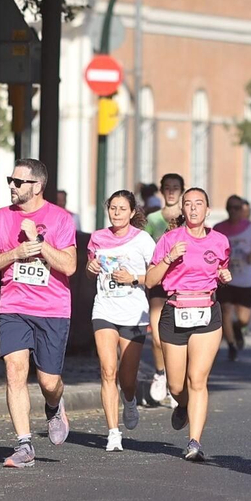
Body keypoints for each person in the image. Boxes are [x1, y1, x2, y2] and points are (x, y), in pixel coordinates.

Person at [0, 158, 78, 468]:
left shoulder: (60, 219)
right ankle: (24, 445)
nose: (11, 185)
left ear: (36, 186)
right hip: (13, 307)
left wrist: (37, 241)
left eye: (17, 181)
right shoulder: (1, 218)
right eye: (10, 179)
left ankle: (54, 405)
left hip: (52, 309)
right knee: (14, 370)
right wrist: (16, 253)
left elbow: (69, 266)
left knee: (49, 382)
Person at [145, 187, 231, 462]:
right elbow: (150, 280)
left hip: (206, 311)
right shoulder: (169, 239)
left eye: (199, 204)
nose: (193, 208)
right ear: (182, 210)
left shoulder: (219, 241)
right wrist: (169, 258)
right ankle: (182, 404)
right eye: (188, 204)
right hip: (175, 311)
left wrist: (223, 276)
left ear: (208, 209)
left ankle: (194, 442)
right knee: (176, 386)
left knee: (198, 379)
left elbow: (220, 271)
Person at [86, 190, 154, 451]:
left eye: (122, 209)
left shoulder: (144, 241)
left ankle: (129, 399)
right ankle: (113, 432)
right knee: (107, 371)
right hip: (104, 310)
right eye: (113, 208)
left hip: (134, 313)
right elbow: (91, 269)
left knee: (127, 377)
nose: (116, 213)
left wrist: (134, 278)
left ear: (132, 212)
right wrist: (90, 269)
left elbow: (157, 276)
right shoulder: (98, 238)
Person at [143, 172, 186, 405]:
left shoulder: (188, 215)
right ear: (161, 190)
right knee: (158, 336)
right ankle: (160, 373)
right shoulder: (153, 219)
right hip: (160, 283)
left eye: (175, 187)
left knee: (181, 338)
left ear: (181, 190)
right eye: (167, 187)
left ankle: (175, 382)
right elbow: (146, 251)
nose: (171, 191)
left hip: (184, 286)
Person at [213, 195, 251, 360]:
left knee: (243, 319)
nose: (233, 211)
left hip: (244, 279)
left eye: (237, 208)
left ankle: (236, 328)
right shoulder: (218, 228)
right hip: (225, 278)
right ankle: (232, 345)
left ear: (243, 210)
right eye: (230, 208)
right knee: (225, 310)